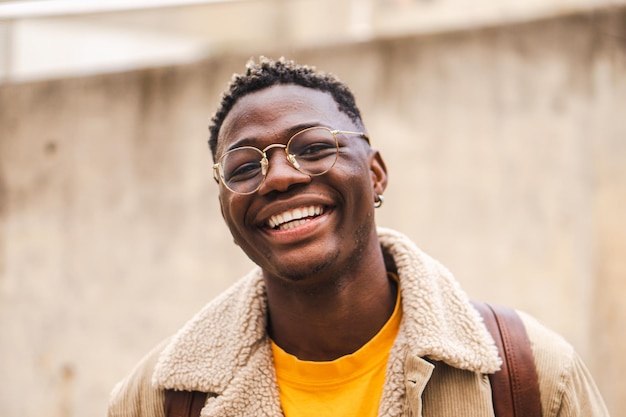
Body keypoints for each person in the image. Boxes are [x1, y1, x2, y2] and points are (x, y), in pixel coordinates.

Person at [108, 57, 609, 417]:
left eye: (312, 147)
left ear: (376, 175)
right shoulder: (153, 401)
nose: (279, 176)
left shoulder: (529, 374)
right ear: (225, 208)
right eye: (244, 167)